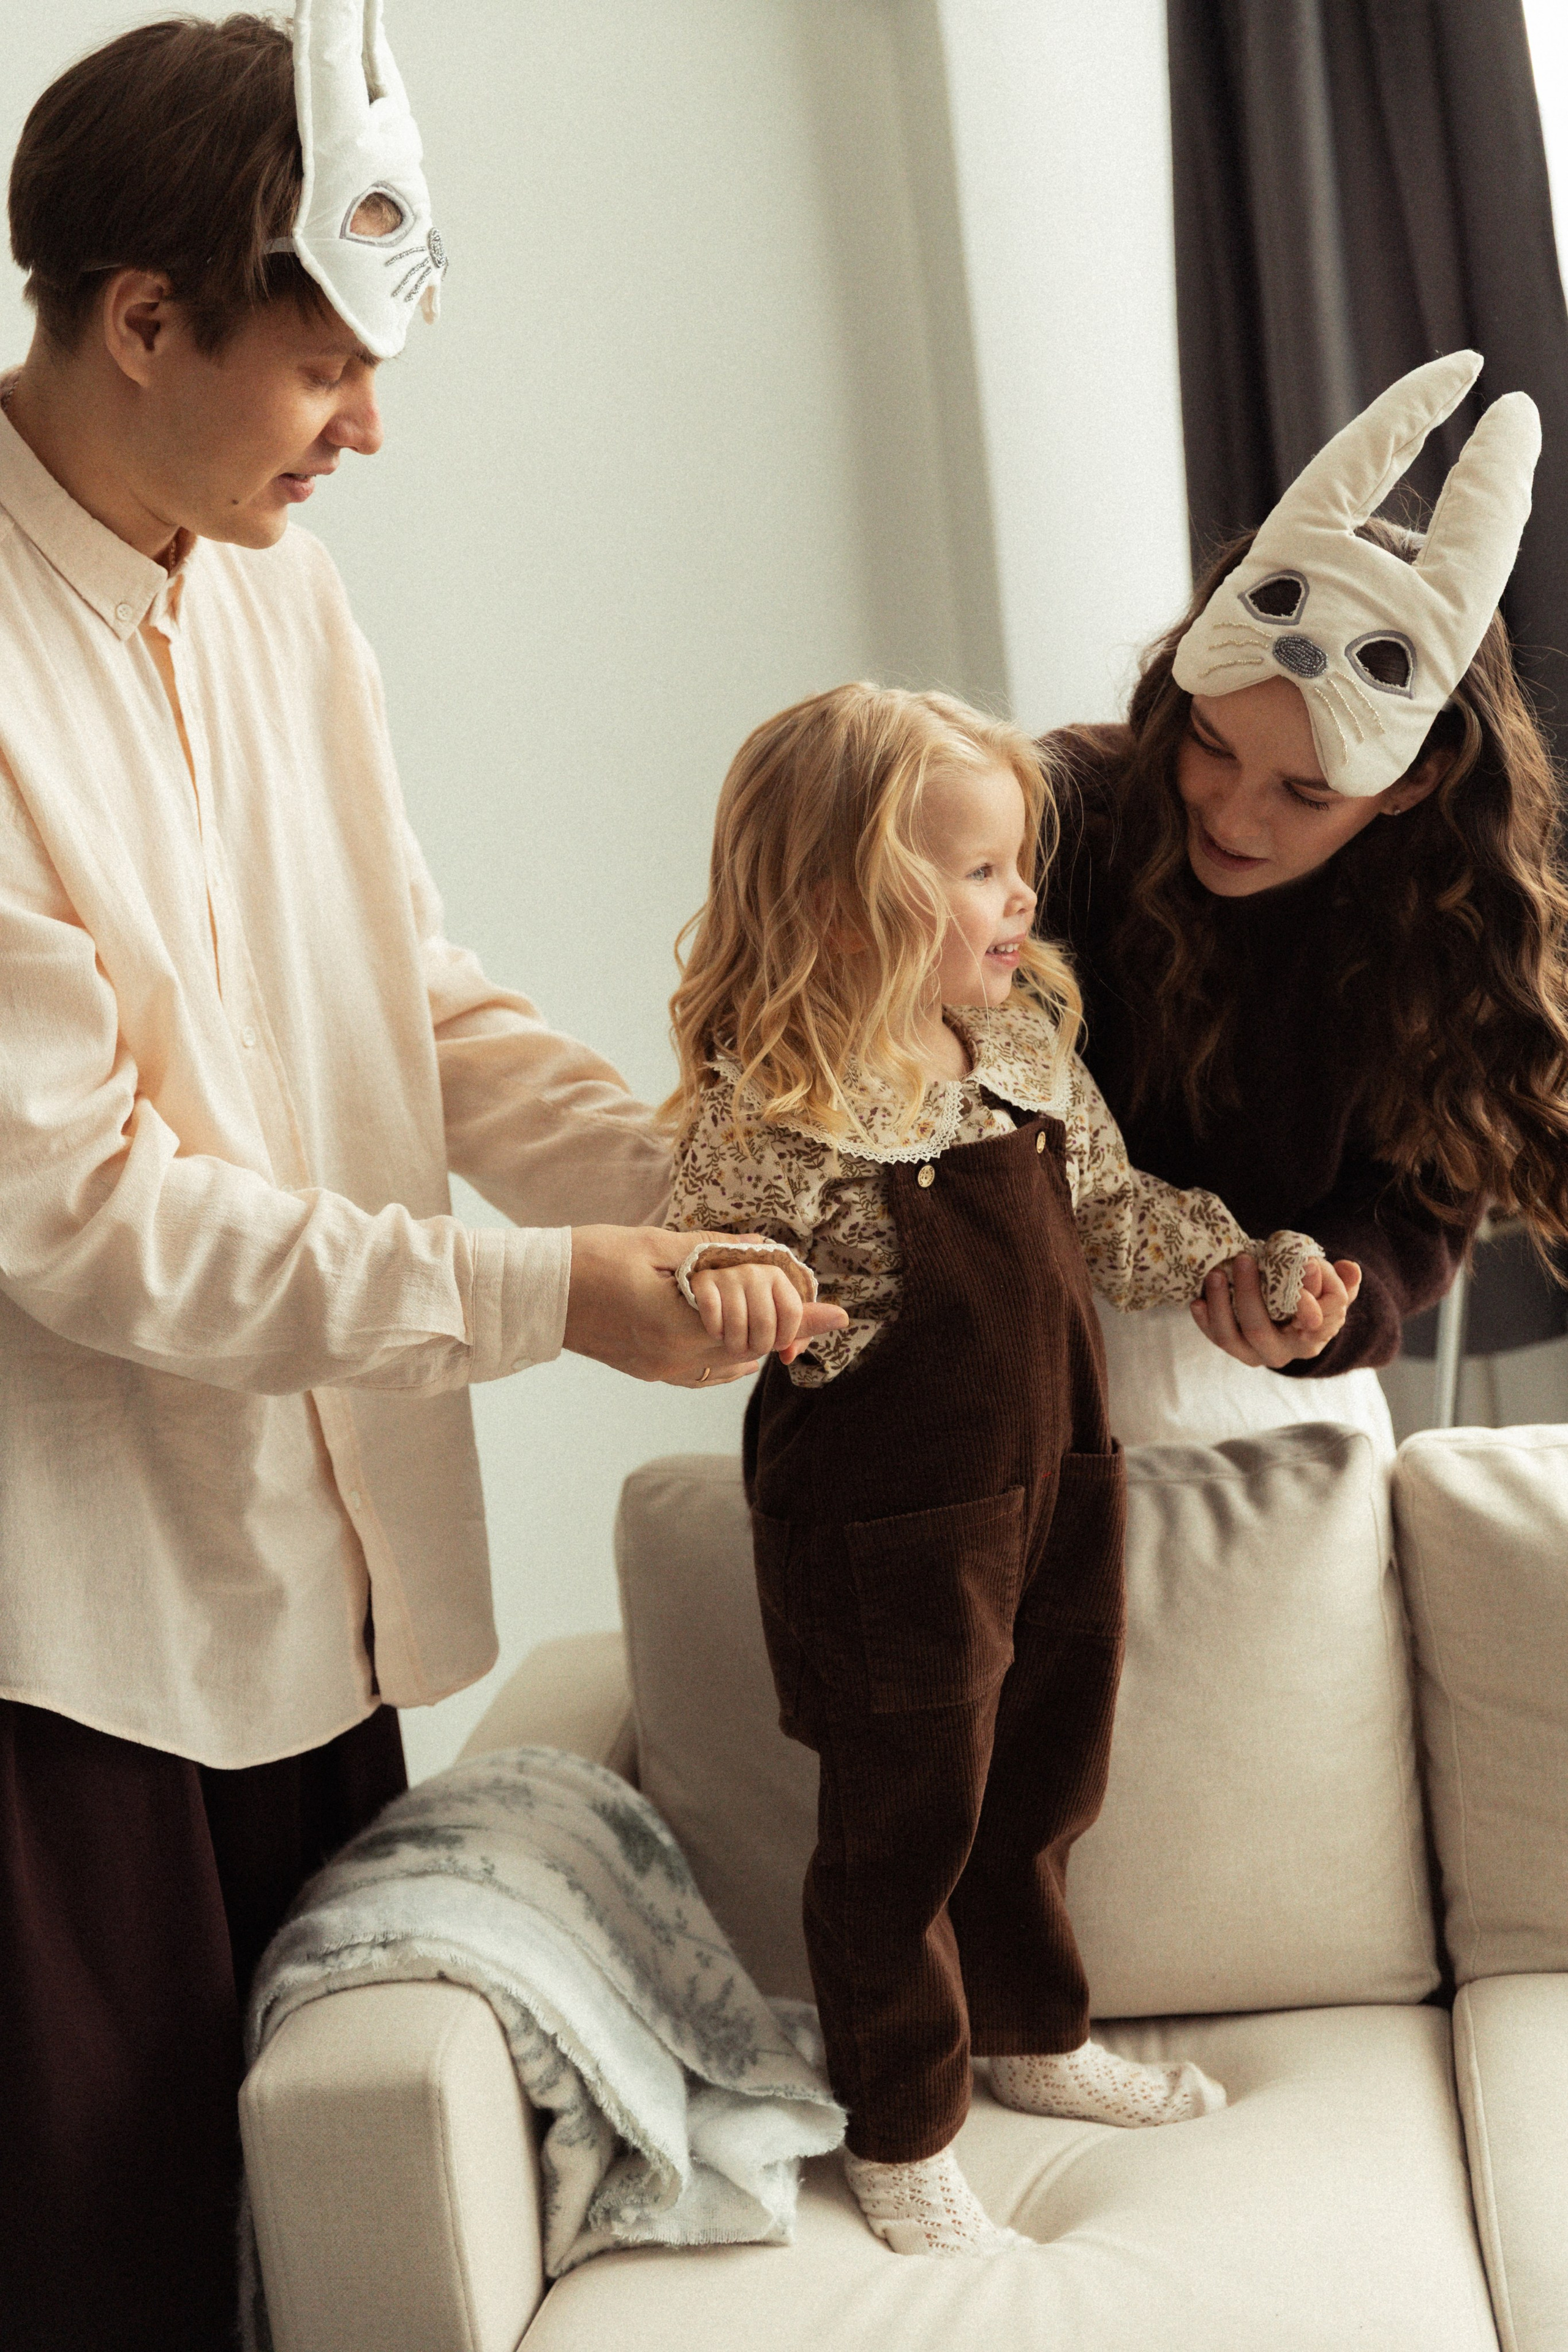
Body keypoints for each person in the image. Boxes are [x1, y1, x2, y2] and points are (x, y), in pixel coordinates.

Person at [0, 13, 840, 2346]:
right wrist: (552, 1294)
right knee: (115, 2271)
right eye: (326, 369)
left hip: (316, 1591)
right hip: (67, 1652)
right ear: (142, 315)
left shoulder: (269, 583)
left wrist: (725, 1172)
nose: (373, 426)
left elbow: (409, 995)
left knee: (359, 2247)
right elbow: (93, 1217)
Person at [663, 682, 1352, 2256]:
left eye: (1012, 862)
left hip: (1058, 1489)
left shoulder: (1021, 1036)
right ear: (843, 906)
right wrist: (730, 1298)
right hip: (886, 1535)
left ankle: (1031, 2033)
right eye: (975, 870)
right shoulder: (769, 1117)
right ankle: (901, 2120)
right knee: (902, 1822)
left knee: (1044, 1775)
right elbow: (708, 1298)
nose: (1019, 896)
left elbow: (1110, 1212)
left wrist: (1243, 1262)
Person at [1039, 351, 1568, 1451]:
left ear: (1409, 785)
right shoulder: (1059, 815)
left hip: (1268, 1403)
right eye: (1211, 746)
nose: (1233, 818)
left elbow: (1414, 1208)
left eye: (1306, 793)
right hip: (1030, 1352)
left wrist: (1334, 1290)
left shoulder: (1432, 934)